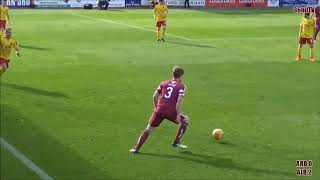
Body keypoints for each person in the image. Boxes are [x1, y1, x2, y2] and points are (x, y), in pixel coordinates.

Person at [130, 66, 190, 153]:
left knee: (148, 129)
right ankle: (176, 142)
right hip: (170, 111)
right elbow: (179, 100)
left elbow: (154, 96)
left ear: (172, 74)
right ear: (181, 76)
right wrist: (177, 115)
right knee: (186, 120)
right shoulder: (181, 86)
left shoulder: (164, 83)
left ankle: (136, 148)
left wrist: (156, 107)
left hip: (159, 110)